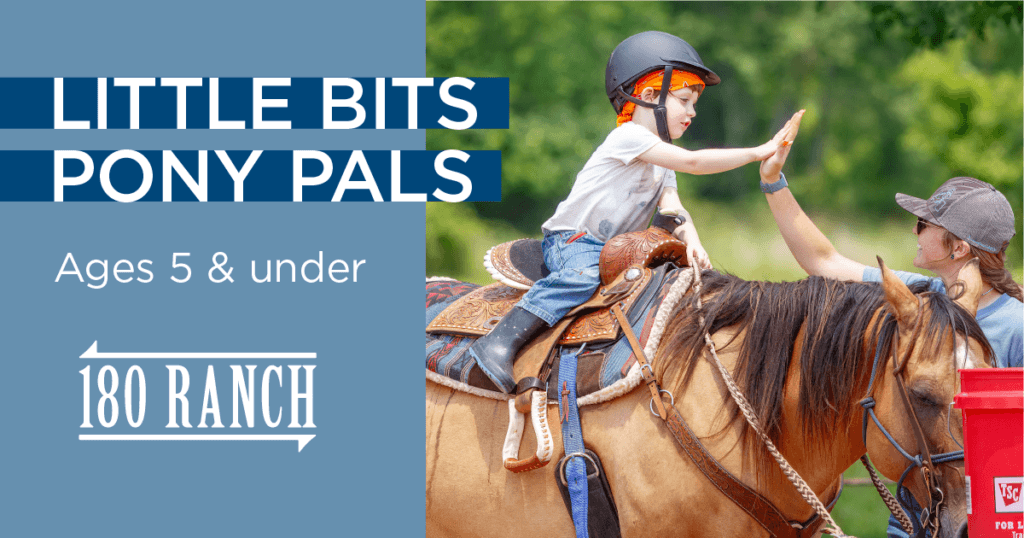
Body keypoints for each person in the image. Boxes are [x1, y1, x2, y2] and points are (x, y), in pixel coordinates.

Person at [470, 30, 797, 394]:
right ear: (648, 96)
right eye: (685, 100)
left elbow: (672, 209)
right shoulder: (628, 138)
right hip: (575, 241)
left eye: (694, 103)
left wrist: (693, 240)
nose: (692, 112)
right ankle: (499, 342)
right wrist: (759, 151)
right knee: (581, 277)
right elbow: (694, 161)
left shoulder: (660, 156)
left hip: (616, 250)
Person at [756, 110, 1022, 538]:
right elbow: (822, 261)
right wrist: (773, 183)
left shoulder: (1017, 327)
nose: (914, 232)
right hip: (911, 524)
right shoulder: (918, 297)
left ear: (958, 248)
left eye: (924, 225)